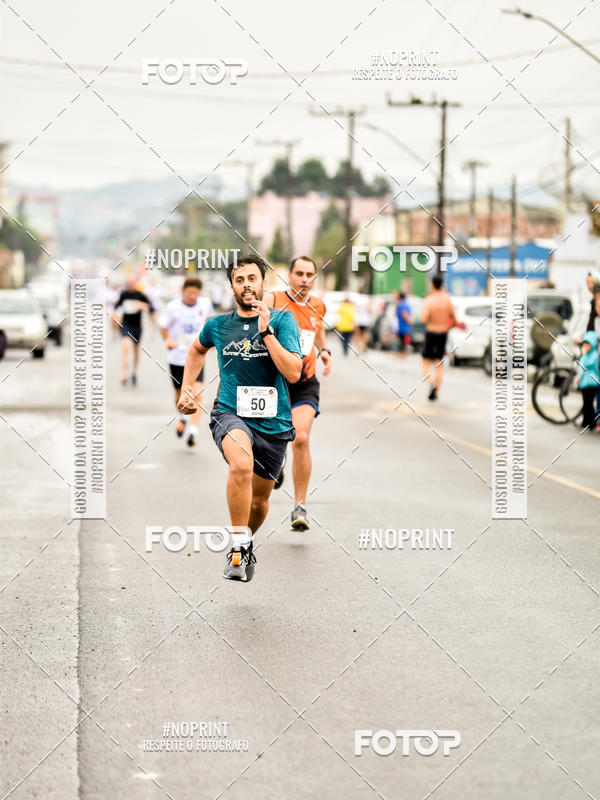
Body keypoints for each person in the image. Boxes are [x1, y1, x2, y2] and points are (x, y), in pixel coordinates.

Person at [177, 255, 302, 582]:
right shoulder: (218, 326)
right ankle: (238, 547)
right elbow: (196, 350)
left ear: (263, 283)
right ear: (232, 286)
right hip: (230, 413)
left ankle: (246, 541)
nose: (246, 285)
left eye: (252, 278)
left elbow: (293, 372)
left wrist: (266, 332)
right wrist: (187, 387)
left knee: (259, 502)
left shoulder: (283, 321)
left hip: (274, 422)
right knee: (242, 464)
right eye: (239, 280)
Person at [263, 256, 332, 531]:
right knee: (274, 439)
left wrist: (324, 351)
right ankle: (277, 460)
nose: (304, 279)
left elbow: (317, 329)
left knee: (300, 438)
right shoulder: (274, 300)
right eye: (299, 273)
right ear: (289, 275)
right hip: (276, 381)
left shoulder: (319, 305)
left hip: (305, 381)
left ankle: (299, 507)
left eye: (309, 274)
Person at [159, 276, 213, 447]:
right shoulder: (173, 307)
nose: (192, 296)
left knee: (197, 393)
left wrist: (210, 339)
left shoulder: (205, 304)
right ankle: (182, 416)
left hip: (196, 357)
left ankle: (193, 431)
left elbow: (208, 321)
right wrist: (168, 340)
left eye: (196, 293)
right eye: (190, 293)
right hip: (177, 358)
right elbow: (163, 326)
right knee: (179, 395)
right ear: (183, 292)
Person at [113, 273, 155, 386]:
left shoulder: (140, 295)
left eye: (133, 282)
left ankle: (134, 372)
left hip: (137, 326)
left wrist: (142, 305)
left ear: (136, 283)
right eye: (129, 282)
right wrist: (115, 316)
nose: (131, 284)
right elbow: (116, 306)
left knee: (136, 350)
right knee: (125, 347)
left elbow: (151, 308)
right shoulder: (124, 294)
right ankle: (124, 373)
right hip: (125, 325)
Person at [420, 275, 456, 401]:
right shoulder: (447, 300)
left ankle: (431, 382)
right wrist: (447, 327)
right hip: (443, 333)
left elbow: (423, 319)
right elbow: (454, 320)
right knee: (438, 363)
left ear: (432, 285)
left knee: (425, 363)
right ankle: (436, 391)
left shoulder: (429, 300)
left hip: (431, 332)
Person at [575, 331, 600, 431]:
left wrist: (584, 355)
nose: (585, 346)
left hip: (591, 383)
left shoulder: (594, 355)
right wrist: (578, 377)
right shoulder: (584, 355)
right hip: (584, 383)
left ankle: (591, 423)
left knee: (588, 404)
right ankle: (586, 422)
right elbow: (580, 368)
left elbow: (586, 365)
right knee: (586, 404)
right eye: (584, 344)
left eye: (587, 344)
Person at [395, 291, 413, 358]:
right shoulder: (406, 304)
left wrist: (410, 321)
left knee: (403, 340)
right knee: (403, 340)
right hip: (404, 326)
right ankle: (403, 353)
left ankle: (403, 354)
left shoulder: (401, 305)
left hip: (403, 326)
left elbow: (404, 314)